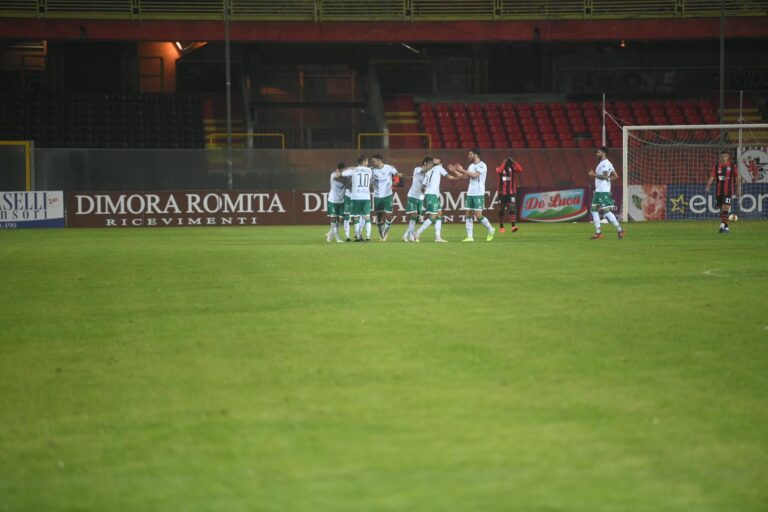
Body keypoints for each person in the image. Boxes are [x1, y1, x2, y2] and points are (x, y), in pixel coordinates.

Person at [450, 148, 495, 242]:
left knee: (478, 216)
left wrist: (462, 170)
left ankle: (491, 229)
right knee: (468, 214)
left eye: (470, 154)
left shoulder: (482, 165)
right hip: (470, 193)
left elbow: (475, 175)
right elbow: (465, 176)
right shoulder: (471, 166)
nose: (468, 156)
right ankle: (469, 237)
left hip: (478, 193)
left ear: (476, 155)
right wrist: (455, 171)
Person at [413, 157, 460, 243]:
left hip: (430, 195)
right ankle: (417, 233)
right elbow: (449, 177)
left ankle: (438, 237)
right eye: (434, 159)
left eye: (437, 158)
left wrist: (426, 193)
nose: (435, 159)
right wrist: (458, 177)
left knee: (439, 214)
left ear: (440, 161)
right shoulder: (438, 168)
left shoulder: (429, 171)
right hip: (432, 195)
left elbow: (422, 187)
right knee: (433, 217)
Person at [588, 146, 625, 240]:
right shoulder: (608, 163)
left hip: (603, 191)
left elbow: (605, 176)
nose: (597, 154)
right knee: (594, 210)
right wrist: (607, 180)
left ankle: (620, 229)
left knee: (606, 211)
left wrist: (594, 175)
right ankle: (598, 233)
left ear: (603, 153)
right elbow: (615, 176)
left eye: (598, 152)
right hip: (599, 191)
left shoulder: (604, 163)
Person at [334, 155, 372, 242]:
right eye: (366, 161)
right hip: (366, 197)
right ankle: (368, 237)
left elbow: (339, 175)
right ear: (363, 162)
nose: (368, 163)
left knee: (356, 217)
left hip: (355, 197)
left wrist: (339, 174)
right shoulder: (370, 170)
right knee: (367, 217)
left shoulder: (353, 170)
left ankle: (358, 237)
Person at [370, 154, 404, 241]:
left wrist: (398, 174)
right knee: (379, 216)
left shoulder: (388, 168)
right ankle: (381, 235)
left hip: (387, 195)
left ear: (379, 160)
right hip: (377, 196)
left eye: (374, 161)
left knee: (389, 215)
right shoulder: (371, 170)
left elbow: (395, 173)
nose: (373, 163)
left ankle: (385, 233)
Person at [705, 151, 737, 234]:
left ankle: (722, 225)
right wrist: (708, 186)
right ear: (720, 157)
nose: (723, 158)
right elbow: (712, 177)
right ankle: (725, 228)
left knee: (726, 207)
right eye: (722, 156)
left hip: (728, 191)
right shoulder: (716, 167)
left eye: (725, 156)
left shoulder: (732, 166)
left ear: (728, 157)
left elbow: (737, 177)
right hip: (719, 191)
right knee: (721, 210)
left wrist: (738, 190)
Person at [403, 157, 432, 242]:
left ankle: (405, 235)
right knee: (413, 215)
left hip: (420, 198)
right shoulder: (417, 169)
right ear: (425, 163)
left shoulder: (429, 174)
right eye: (430, 164)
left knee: (416, 219)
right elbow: (423, 170)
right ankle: (412, 236)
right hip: (412, 196)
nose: (431, 166)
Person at [496, 156, 523, 232]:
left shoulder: (512, 169)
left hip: (511, 193)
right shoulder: (499, 168)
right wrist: (504, 163)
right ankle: (501, 226)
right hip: (501, 193)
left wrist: (514, 161)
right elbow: (499, 171)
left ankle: (513, 226)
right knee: (501, 210)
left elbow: (520, 169)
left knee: (512, 208)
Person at [326, 162, 346, 243]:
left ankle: (330, 235)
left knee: (340, 220)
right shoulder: (333, 175)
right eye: (343, 170)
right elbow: (338, 176)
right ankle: (337, 237)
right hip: (333, 200)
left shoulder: (345, 176)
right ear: (339, 169)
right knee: (333, 218)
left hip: (341, 201)